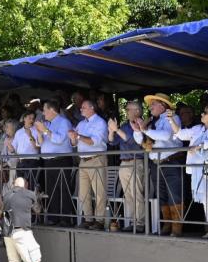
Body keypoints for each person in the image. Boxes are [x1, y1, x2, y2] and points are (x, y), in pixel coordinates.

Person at [171, 105, 208, 239]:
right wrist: (170, 120)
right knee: (205, 201)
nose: (202, 114)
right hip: (200, 171)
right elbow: (180, 134)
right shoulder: (198, 129)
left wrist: (199, 146)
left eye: (206, 113)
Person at [132, 94, 184, 236]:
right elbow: (139, 141)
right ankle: (167, 225)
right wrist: (138, 130)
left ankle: (177, 228)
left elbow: (166, 135)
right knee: (161, 196)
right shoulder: (150, 121)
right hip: (156, 163)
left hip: (171, 162)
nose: (150, 107)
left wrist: (145, 130)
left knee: (174, 195)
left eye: (153, 104)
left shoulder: (172, 117)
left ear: (163, 105)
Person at [2, 177, 45, 262]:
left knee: (12, 260)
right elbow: (37, 210)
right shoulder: (29, 194)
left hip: (8, 233)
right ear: (25, 184)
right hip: (22, 231)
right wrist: (38, 198)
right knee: (33, 259)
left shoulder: (6, 195)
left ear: (13, 184)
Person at [33, 99, 74, 225]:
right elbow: (40, 143)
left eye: (45, 111)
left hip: (61, 160)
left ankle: (65, 219)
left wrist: (45, 130)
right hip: (48, 161)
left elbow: (59, 139)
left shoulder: (64, 122)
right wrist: (40, 133)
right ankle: (54, 217)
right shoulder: (48, 124)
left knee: (63, 189)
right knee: (51, 190)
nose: (43, 114)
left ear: (52, 110)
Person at [70, 100, 109, 230]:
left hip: (96, 159)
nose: (81, 110)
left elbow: (95, 142)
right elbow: (75, 144)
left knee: (99, 192)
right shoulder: (81, 123)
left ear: (92, 108)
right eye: (81, 108)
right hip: (83, 160)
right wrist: (73, 138)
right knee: (84, 193)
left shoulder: (100, 122)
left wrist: (78, 136)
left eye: (83, 108)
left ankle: (100, 220)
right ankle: (88, 219)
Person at [108, 101, 146, 233]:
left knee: (136, 194)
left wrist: (117, 129)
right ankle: (132, 221)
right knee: (128, 195)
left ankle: (140, 223)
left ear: (137, 111)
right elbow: (112, 142)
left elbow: (133, 143)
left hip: (136, 161)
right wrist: (111, 131)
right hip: (124, 163)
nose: (126, 111)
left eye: (129, 109)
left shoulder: (142, 124)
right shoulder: (124, 125)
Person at [9, 111, 40, 191]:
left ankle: (31, 202)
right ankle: (22, 202)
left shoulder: (36, 131)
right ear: (24, 119)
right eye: (29, 118)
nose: (31, 120)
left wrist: (30, 135)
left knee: (31, 185)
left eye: (33, 119)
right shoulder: (19, 132)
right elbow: (13, 149)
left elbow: (37, 147)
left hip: (32, 161)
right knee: (20, 185)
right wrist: (9, 145)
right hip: (21, 161)